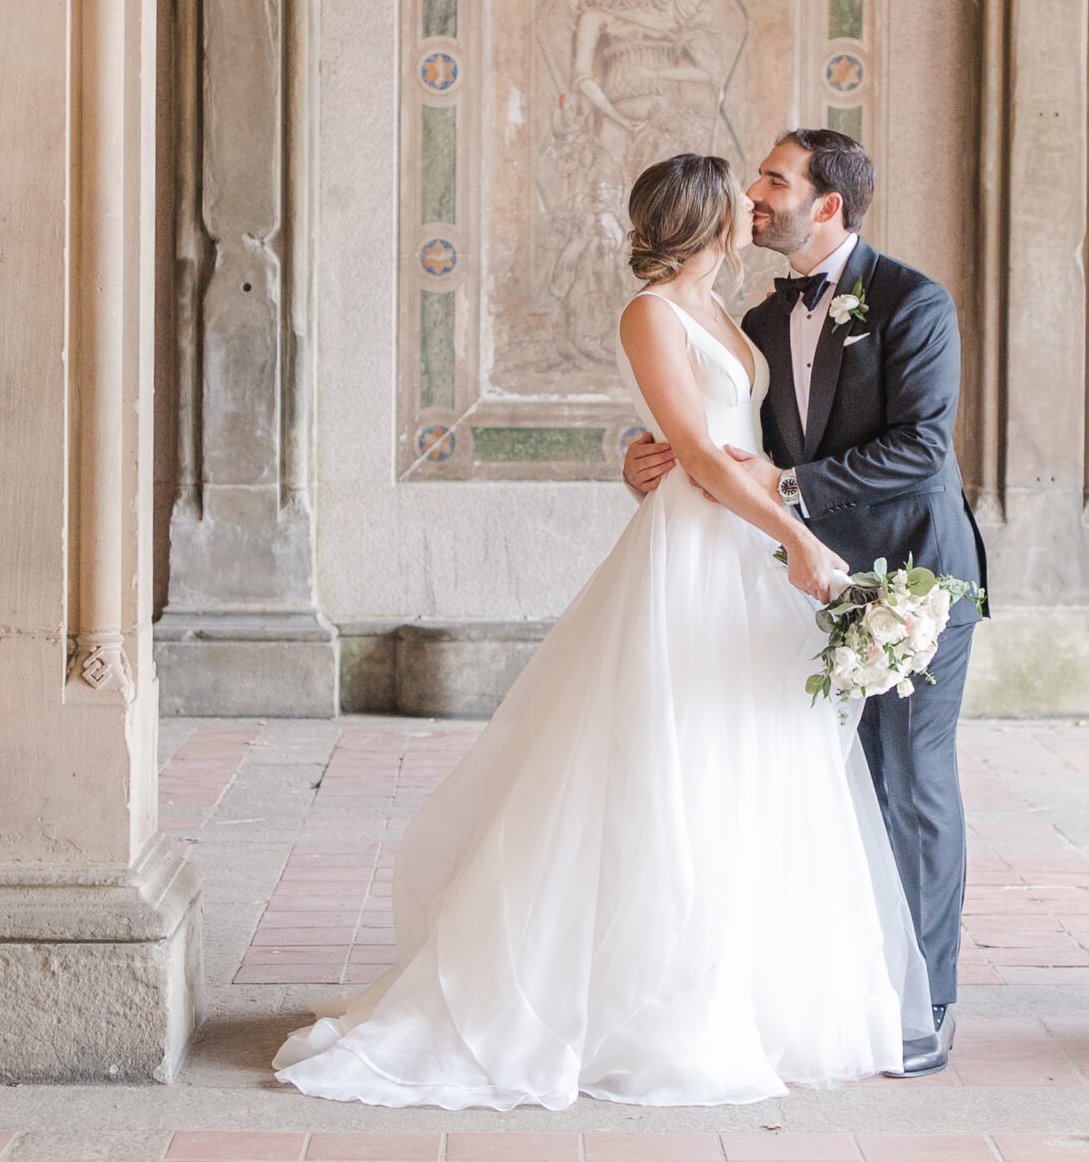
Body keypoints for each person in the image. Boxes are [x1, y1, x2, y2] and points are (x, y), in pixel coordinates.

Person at [273, 152, 930, 1113]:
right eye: (738, 201)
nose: (753, 209)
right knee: (666, 765)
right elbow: (699, 451)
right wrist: (797, 539)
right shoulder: (652, 313)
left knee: (745, 759)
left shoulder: (730, 319)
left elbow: (744, 440)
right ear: (704, 220)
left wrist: (773, 521)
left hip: (739, 552)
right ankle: (646, 1006)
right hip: (693, 553)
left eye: (762, 195)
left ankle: (748, 994)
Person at [624, 127, 987, 1076]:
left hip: (911, 577)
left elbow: (921, 448)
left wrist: (786, 497)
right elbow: (718, 433)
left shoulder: (913, 301)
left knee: (909, 783)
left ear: (826, 205)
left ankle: (926, 1007)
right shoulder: (752, 318)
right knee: (818, 790)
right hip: (792, 582)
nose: (754, 192)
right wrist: (649, 461)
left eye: (774, 180)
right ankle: (840, 986)